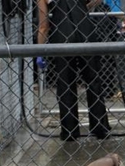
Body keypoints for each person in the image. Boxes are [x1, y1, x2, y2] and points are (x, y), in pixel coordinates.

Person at [38, 0, 111, 141]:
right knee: (93, 81)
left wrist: (39, 52)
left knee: (65, 84)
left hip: (62, 36)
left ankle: (69, 131)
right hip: (86, 31)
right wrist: (83, 7)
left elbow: (43, 26)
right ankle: (100, 128)